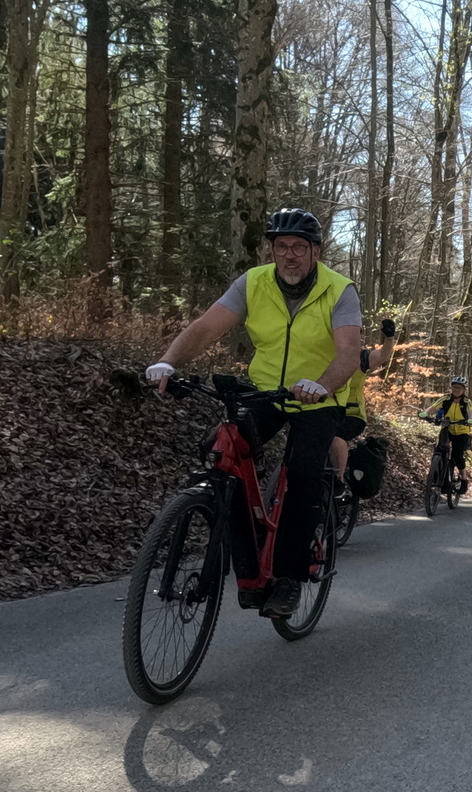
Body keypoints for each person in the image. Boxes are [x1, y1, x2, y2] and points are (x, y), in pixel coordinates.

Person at [146, 207, 361, 618]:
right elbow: (207, 326)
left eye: (300, 246)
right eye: (282, 246)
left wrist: (323, 384)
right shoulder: (254, 282)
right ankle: (248, 567)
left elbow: (349, 352)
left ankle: (289, 577)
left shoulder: (340, 290)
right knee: (223, 451)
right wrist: (170, 361)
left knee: (302, 478)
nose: (290, 255)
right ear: (271, 250)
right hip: (267, 391)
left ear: (316, 251)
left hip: (319, 396)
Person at [329, 317, 397, 480]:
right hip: (327, 410)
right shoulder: (325, 355)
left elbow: (382, 355)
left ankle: (338, 480)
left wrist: (389, 338)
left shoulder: (362, 357)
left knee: (336, 436)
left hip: (353, 414)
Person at [426, 376, 472, 490]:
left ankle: (463, 479)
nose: (456, 390)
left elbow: (471, 413)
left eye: (459, 388)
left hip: (462, 432)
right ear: (451, 388)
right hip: (447, 429)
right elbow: (433, 408)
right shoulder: (445, 399)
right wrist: (425, 414)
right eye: (454, 388)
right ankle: (436, 476)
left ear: (464, 390)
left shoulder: (467, 402)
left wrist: (471, 420)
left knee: (457, 455)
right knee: (439, 451)